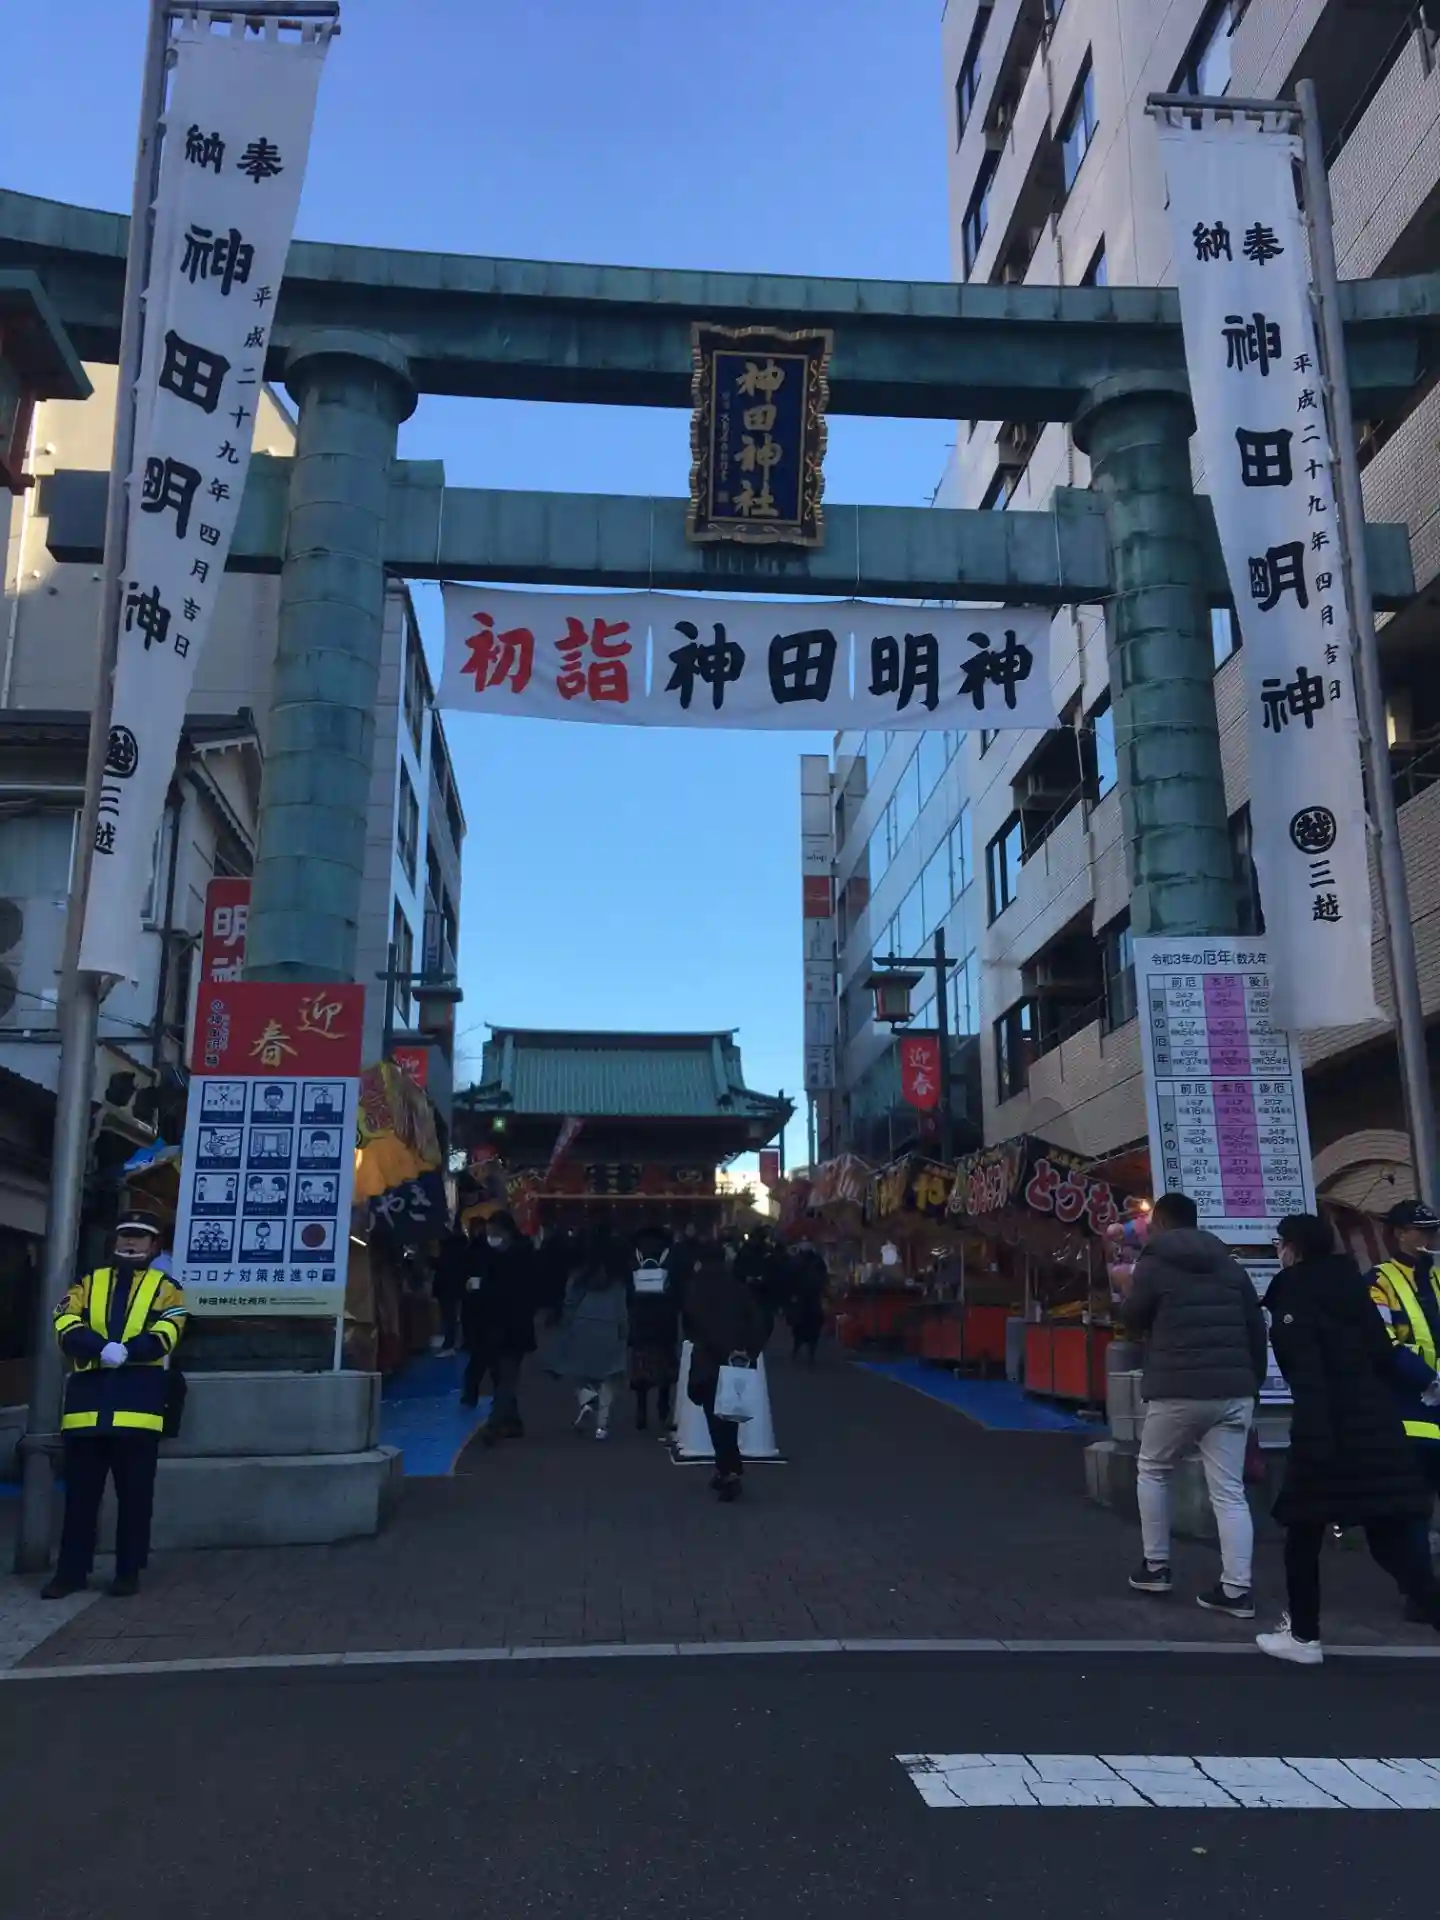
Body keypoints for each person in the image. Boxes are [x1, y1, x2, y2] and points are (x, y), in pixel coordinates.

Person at [1255, 1213, 1440, 1665]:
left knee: (1303, 1534)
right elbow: (1382, 1352)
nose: (1278, 1251)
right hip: (1377, 1425)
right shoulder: (1353, 1286)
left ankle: (1304, 1636)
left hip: (1327, 1430)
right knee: (1391, 1539)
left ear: (1294, 1247)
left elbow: (1307, 1373)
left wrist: (1312, 1439)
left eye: (1279, 1243)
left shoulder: (1293, 1292)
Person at [1115, 1190, 1268, 1617]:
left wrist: (1125, 1291)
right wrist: (1250, 1383)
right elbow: (1256, 1329)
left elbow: (1132, 1320)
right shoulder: (1231, 1266)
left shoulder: (1153, 1264)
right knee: (1229, 1491)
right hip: (1233, 1391)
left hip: (1176, 1388)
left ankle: (1156, 1566)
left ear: (1161, 1223)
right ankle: (1236, 1588)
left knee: (1154, 1469)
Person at [43, 1211, 187, 1600]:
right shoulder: (88, 1282)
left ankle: (128, 1572)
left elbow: (170, 1329)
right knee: (79, 1499)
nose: (131, 1242)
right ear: (115, 1241)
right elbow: (63, 1319)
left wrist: (130, 1350)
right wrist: (99, 1347)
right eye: (125, 1235)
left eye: (140, 1237)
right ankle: (70, 1573)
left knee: (135, 1499)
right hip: (86, 1410)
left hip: (139, 1409)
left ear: (154, 1246)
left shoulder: (167, 1288)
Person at [1366, 1200, 1440, 1510]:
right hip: (1409, 1403)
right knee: (1415, 1499)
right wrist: (1428, 1379)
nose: (1430, 1237)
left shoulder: (1436, 1277)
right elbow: (1384, 1341)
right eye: (1422, 1231)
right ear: (1399, 1234)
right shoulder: (1379, 1280)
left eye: (1433, 1230)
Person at [682, 1239, 767, 1502]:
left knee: (714, 1419)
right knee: (730, 1418)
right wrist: (747, 1351)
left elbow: (691, 1326)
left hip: (708, 1362)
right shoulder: (739, 1289)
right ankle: (727, 1469)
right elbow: (758, 1323)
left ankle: (728, 1470)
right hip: (736, 1363)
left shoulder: (695, 1289)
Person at [460, 1210, 537, 1443]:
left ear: (506, 1232)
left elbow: (511, 1292)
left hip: (512, 1327)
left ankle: (494, 1424)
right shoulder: (498, 1256)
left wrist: (482, 1287)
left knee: (506, 1379)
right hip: (496, 1327)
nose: (490, 1237)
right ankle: (512, 1422)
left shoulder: (518, 1258)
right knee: (502, 1376)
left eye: (493, 1233)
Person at [548, 1228, 630, 1440]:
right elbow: (622, 1309)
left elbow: (569, 1305)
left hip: (582, 1325)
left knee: (582, 1375)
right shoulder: (617, 1280)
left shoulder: (578, 1277)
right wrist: (624, 1330)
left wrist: (566, 1326)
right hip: (610, 1326)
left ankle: (587, 1401)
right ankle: (602, 1424)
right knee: (609, 1377)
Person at [628, 1232, 680, 1433]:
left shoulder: (635, 1256)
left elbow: (628, 1290)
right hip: (664, 1321)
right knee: (664, 1371)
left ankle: (641, 1410)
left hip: (640, 1321)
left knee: (641, 1370)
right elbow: (679, 1287)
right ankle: (663, 1409)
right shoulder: (670, 1256)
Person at [785, 1238, 828, 1365]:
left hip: (808, 1297)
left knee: (809, 1325)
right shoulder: (805, 1260)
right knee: (802, 1325)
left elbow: (789, 1277)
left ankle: (806, 1350)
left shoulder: (805, 1260)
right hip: (802, 1297)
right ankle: (801, 1349)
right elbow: (789, 1277)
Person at [431, 1224, 471, 1355]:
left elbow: (442, 1265)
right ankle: (454, 1343)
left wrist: (432, 1261)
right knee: (454, 1316)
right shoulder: (462, 1247)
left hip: (446, 1286)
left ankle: (449, 1344)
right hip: (456, 1285)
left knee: (448, 1317)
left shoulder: (448, 1249)